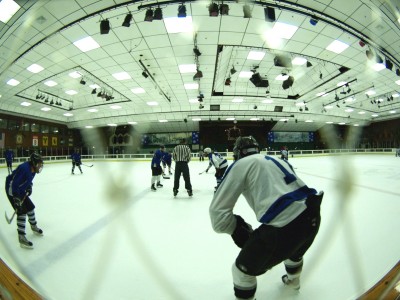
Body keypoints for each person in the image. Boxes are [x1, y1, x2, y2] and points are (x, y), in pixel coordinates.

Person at [209, 136, 323, 300]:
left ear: (238, 153)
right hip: (313, 214)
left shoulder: (241, 164)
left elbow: (217, 215)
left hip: (285, 225)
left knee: (241, 271)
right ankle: (293, 282)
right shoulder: (279, 160)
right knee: (294, 252)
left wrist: (235, 228)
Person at [5, 152, 44, 249]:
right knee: (21, 212)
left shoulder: (33, 170)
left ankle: (33, 226)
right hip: (12, 190)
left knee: (30, 207)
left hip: (20, 190)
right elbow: (13, 184)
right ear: (34, 162)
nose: (40, 166)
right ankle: (21, 236)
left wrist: (29, 187)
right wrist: (16, 197)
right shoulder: (24, 168)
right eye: (39, 164)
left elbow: (29, 180)